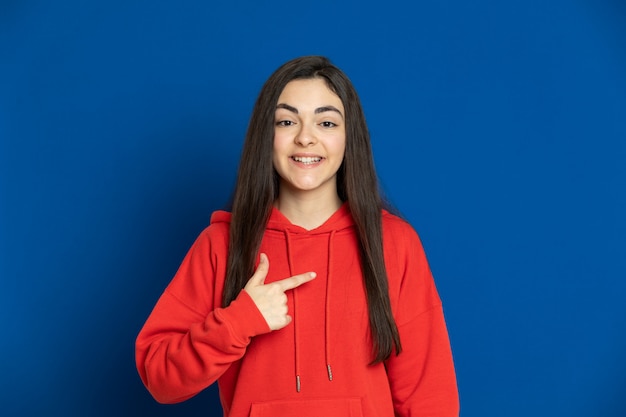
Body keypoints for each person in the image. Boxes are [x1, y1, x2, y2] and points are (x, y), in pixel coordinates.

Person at [135, 56, 459, 416]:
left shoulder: (393, 243)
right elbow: (159, 376)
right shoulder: (221, 245)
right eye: (287, 121)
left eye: (326, 122)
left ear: (349, 138)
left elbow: (430, 396)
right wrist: (238, 321)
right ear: (266, 135)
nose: (306, 137)